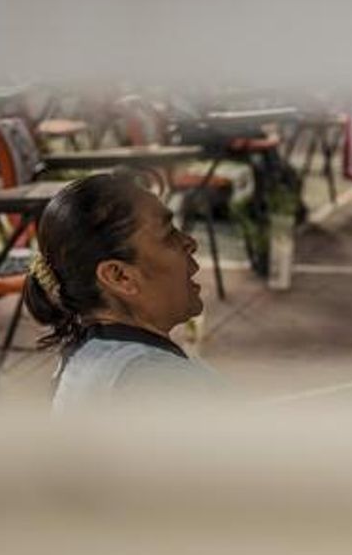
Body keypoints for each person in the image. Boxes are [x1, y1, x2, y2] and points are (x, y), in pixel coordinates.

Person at [24, 172, 225, 410]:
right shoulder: (154, 382)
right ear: (120, 276)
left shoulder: (90, 354)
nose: (190, 243)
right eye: (168, 234)